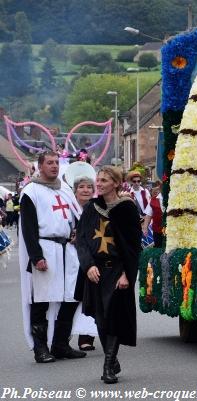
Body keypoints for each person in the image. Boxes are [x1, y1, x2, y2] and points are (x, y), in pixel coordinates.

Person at [75, 166, 141, 384]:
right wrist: (88, 266)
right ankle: (112, 361)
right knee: (101, 319)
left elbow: (133, 246)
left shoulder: (127, 208)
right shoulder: (91, 208)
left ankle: (107, 367)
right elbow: (82, 240)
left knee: (113, 315)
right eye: (98, 180)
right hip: (96, 270)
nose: (99, 183)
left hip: (117, 270)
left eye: (104, 180)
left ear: (115, 183)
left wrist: (126, 274)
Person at [18, 151, 86, 363]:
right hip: (45, 248)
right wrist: (36, 256)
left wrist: (76, 232)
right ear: (40, 166)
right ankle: (41, 349)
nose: (54, 166)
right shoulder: (31, 191)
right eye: (50, 163)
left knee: (72, 296)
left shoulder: (64, 188)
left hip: (68, 250)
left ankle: (60, 344)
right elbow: (28, 228)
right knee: (42, 300)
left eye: (57, 162)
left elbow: (75, 216)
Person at [67, 172, 99, 351]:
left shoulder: (96, 210)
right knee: (71, 297)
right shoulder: (68, 208)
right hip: (70, 257)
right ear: (75, 190)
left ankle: (86, 337)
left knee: (88, 295)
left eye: (89, 187)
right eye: (81, 187)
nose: (85, 190)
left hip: (89, 258)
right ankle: (64, 336)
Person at [127, 171, 151, 236]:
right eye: (134, 181)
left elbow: (150, 206)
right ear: (131, 182)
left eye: (138, 181)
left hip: (146, 219)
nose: (137, 183)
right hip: (134, 220)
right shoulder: (128, 193)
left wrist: (147, 219)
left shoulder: (145, 191)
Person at [149, 182, 164, 248]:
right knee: (158, 248)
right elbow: (148, 214)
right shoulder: (153, 199)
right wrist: (145, 227)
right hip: (157, 230)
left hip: (170, 231)